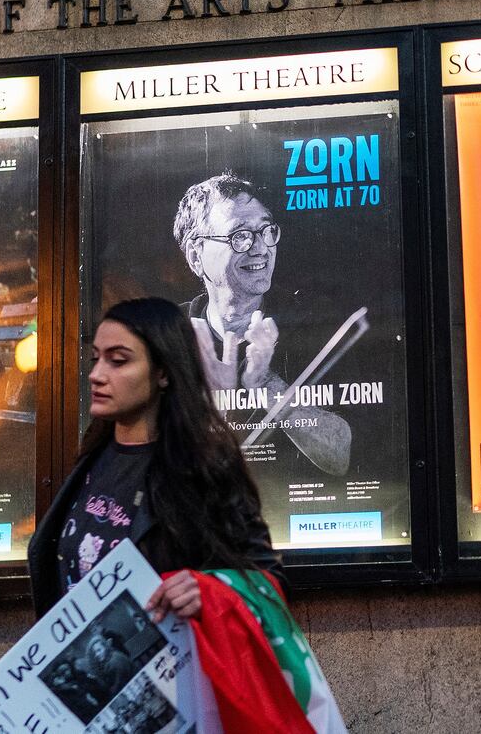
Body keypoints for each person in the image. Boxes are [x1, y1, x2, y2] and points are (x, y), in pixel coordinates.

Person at [25, 297, 282, 620]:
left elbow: (266, 582)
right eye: (95, 359)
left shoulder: (201, 466)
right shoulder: (93, 453)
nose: (97, 374)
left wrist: (208, 591)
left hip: (167, 665)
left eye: (118, 361)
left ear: (163, 372)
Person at [172, 173, 352, 476]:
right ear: (195, 256)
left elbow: (342, 456)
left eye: (267, 231)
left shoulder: (311, 323)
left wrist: (266, 385)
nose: (260, 248)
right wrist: (214, 402)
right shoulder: (166, 335)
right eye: (239, 236)